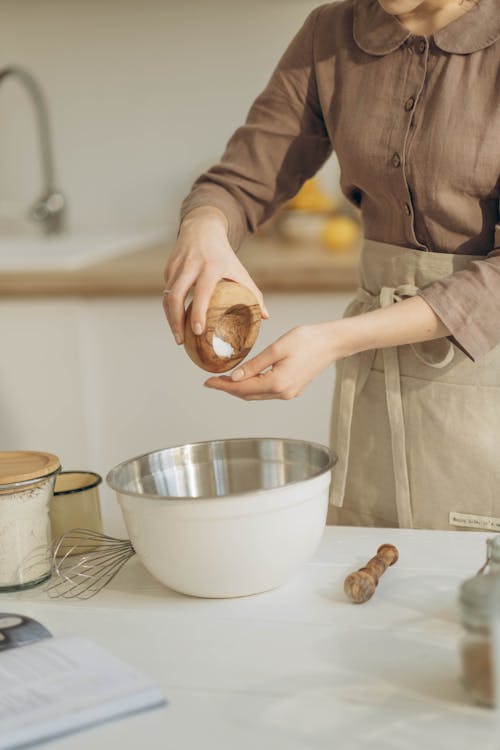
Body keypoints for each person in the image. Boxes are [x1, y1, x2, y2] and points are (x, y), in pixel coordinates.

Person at [163, 0, 500, 531]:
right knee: (371, 572)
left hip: (486, 373)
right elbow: (242, 179)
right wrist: (204, 228)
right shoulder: (332, 32)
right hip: (374, 383)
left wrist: (337, 339)